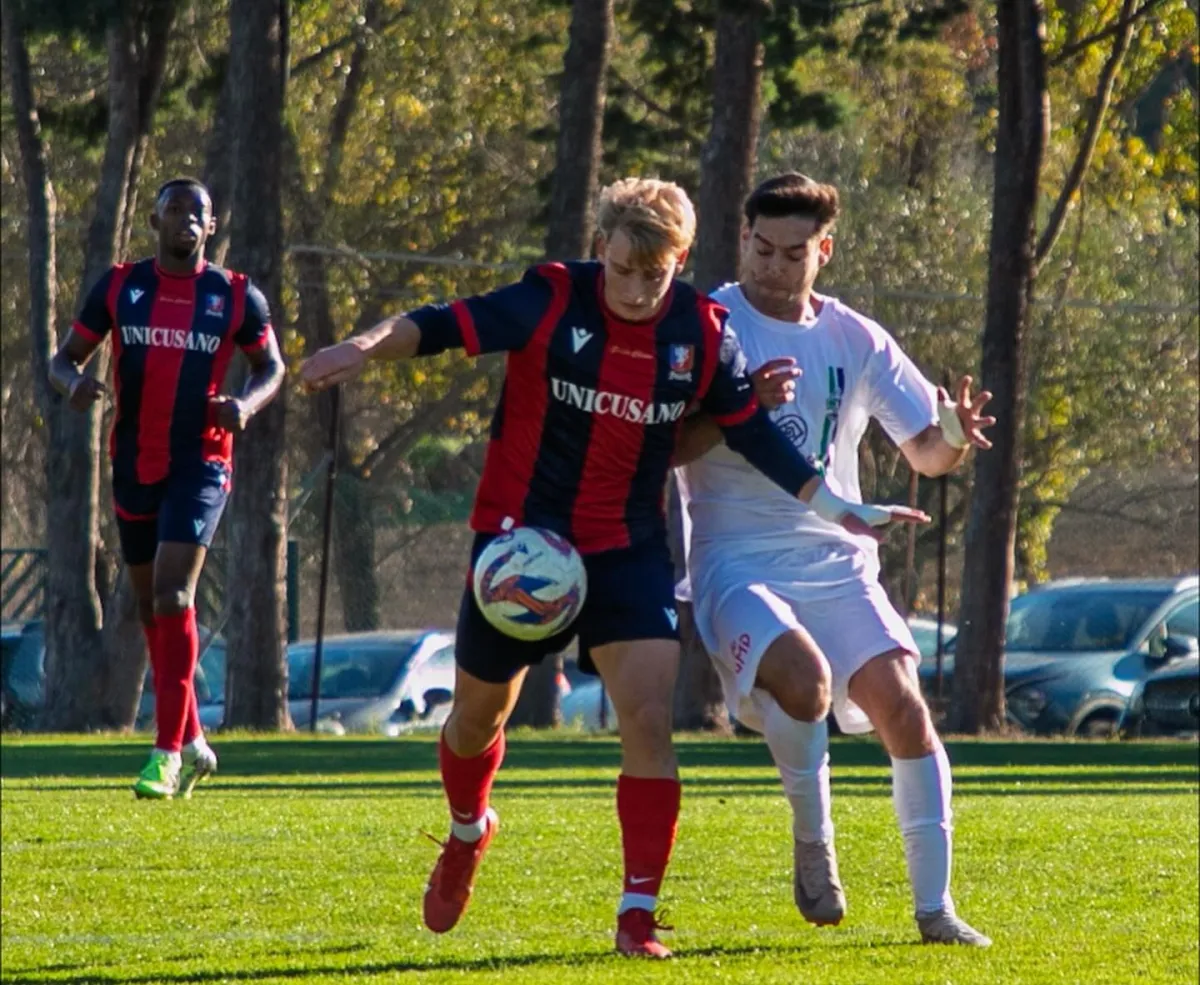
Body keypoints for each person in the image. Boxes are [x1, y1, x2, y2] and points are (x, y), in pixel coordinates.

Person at [300, 177, 925, 958]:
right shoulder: (551, 298)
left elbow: (755, 436)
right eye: (623, 268)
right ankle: (467, 828)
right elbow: (439, 324)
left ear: (680, 262)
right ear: (601, 248)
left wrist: (838, 507)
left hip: (626, 548)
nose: (634, 289)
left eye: (653, 274)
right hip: (522, 546)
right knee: (475, 720)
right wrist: (359, 349)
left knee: (648, 719)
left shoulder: (703, 332)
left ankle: (637, 914)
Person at [674, 173, 995, 946]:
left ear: (825, 251)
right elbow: (667, 447)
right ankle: (814, 843)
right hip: (734, 561)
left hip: (837, 558)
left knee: (905, 709)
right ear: (742, 237)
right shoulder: (706, 323)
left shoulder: (856, 337)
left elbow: (927, 452)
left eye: (794, 253)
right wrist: (737, 406)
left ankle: (936, 911)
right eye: (761, 248)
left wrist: (954, 434)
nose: (773, 266)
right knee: (805, 679)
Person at [48, 177, 285, 800]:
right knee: (152, 606)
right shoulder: (121, 286)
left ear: (212, 226)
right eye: (174, 209)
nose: (186, 220)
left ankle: (166, 754)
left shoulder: (234, 295)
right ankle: (196, 738)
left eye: (197, 212)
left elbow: (272, 367)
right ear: (155, 221)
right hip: (133, 460)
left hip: (202, 462)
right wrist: (72, 384)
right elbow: (62, 359)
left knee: (175, 594)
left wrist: (246, 405)